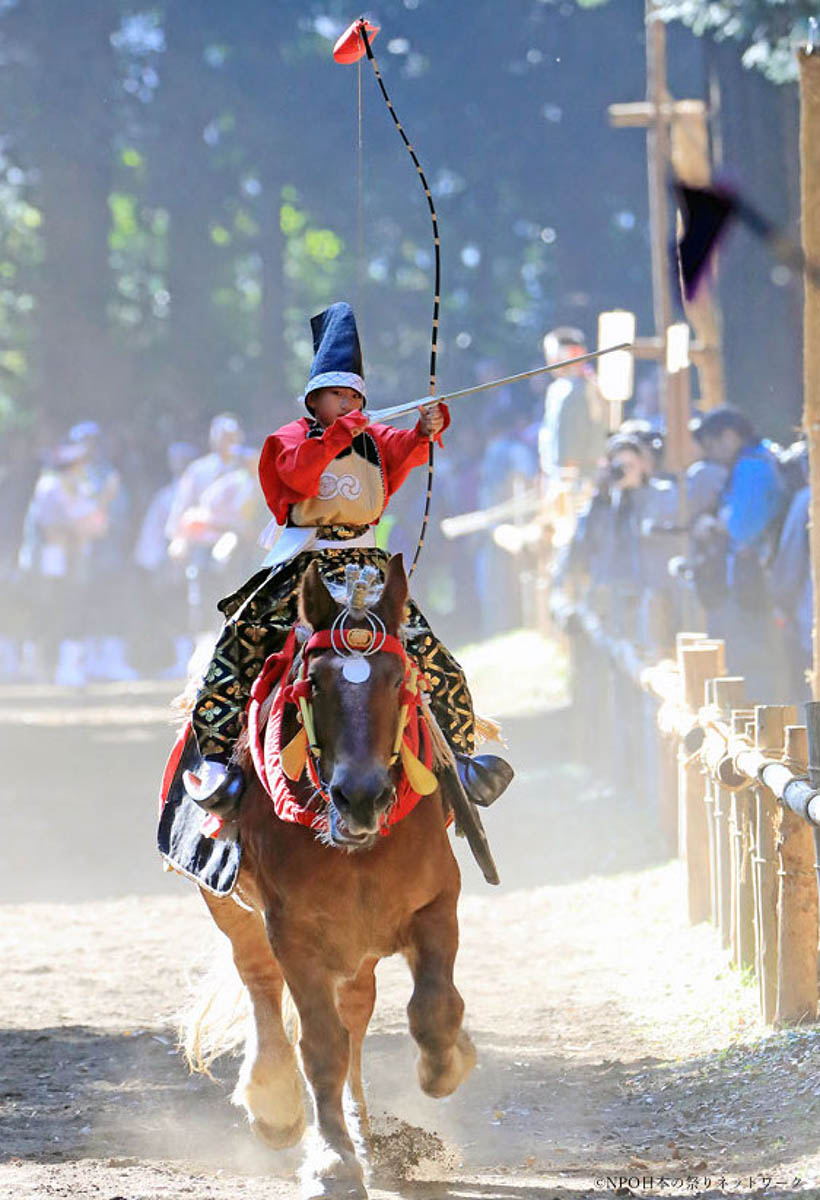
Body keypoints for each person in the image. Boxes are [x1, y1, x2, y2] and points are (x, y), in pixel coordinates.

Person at [185, 302, 513, 815]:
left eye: (356, 394)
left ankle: (461, 760)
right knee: (238, 646)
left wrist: (426, 428)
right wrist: (342, 432)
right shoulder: (290, 439)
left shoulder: (374, 440)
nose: (350, 402)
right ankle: (219, 764)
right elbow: (297, 477)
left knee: (432, 656)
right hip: (302, 569)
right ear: (315, 398)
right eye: (339, 394)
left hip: (368, 567)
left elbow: (406, 450)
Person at [690, 406, 788, 700]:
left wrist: (717, 523)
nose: (711, 454)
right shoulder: (757, 460)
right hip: (756, 583)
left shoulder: (752, 466)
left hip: (756, 586)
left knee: (753, 666)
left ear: (730, 435)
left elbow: (741, 527)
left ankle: (760, 737)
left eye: (711, 445)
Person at [538, 326, 607, 485]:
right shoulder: (560, 389)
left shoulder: (577, 390)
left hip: (574, 479)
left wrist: (566, 480)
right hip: (559, 475)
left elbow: (572, 439)